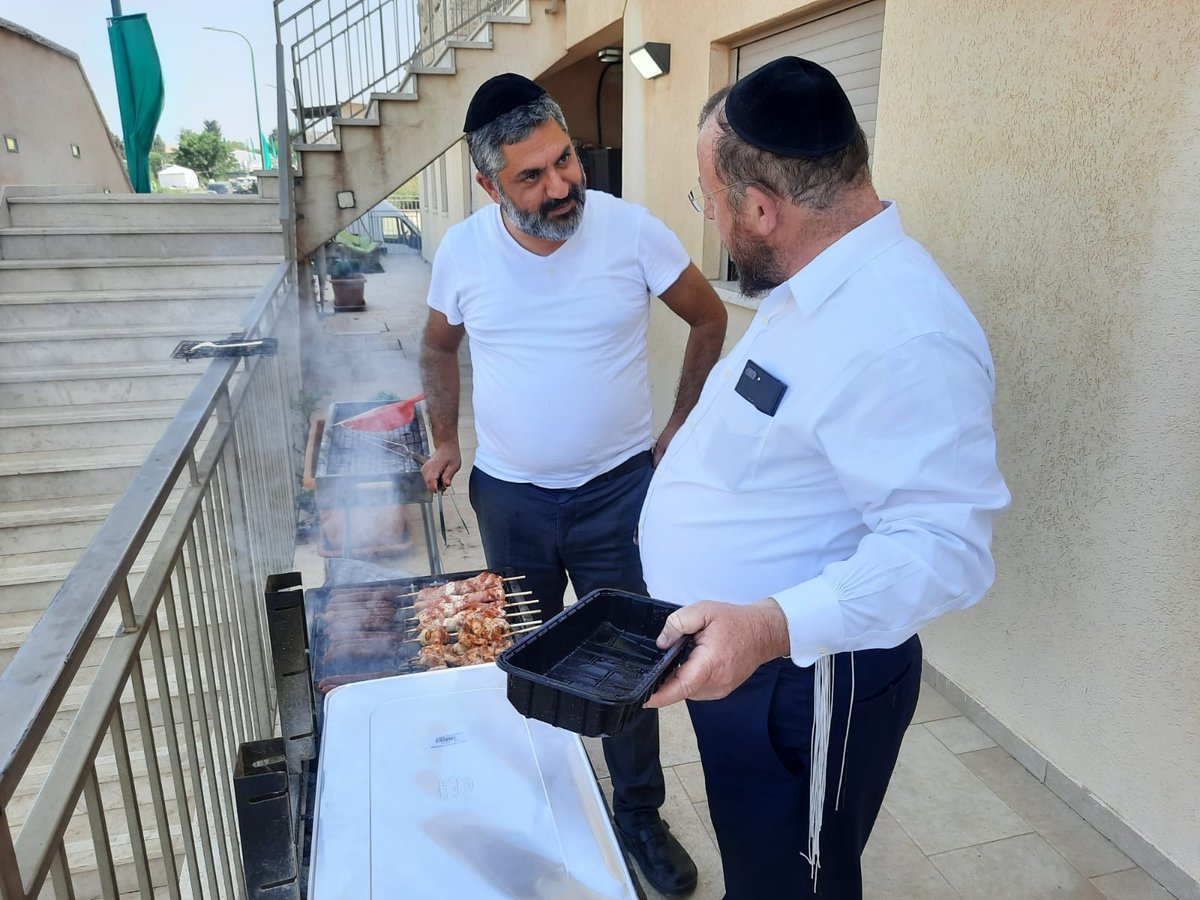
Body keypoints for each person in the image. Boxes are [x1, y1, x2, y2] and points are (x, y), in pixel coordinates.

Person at [637, 57, 1011, 899]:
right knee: (759, 865)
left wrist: (766, 627)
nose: (713, 223)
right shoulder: (813, 282)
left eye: (710, 204)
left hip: (804, 683)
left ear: (761, 209)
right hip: (746, 665)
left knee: (796, 886)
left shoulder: (906, 331)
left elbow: (945, 549)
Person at [419, 73, 728, 897]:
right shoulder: (462, 252)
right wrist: (445, 437)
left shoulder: (630, 233)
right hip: (511, 498)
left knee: (631, 667)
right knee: (520, 658)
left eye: (566, 161)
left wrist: (678, 431)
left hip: (618, 498)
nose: (561, 187)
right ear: (489, 185)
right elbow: (438, 346)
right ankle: (537, 799)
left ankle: (638, 813)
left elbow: (709, 316)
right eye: (532, 175)